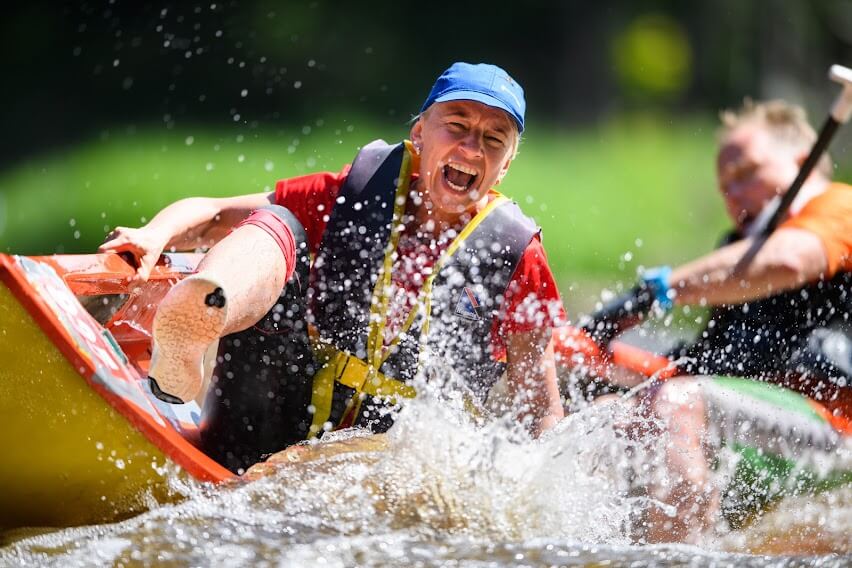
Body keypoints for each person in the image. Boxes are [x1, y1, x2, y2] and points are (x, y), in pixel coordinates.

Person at [100, 62, 567, 473]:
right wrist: (153, 235)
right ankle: (203, 314)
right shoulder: (355, 191)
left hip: (382, 471)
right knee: (280, 221)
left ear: (504, 166)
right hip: (264, 421)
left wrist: (538, 504)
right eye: (457, 126)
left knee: (389, 455)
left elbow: (541, 406)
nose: (471, 148)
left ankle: (284, 469)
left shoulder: (517, 256)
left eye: (492, 139)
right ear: (420, 134)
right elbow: (217, 214)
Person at [583, 100, 852, 543]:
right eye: (726, 187)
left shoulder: (835, 207)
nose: (735, 195)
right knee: (608, 420)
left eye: (747, 172)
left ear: (802, 163)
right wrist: (594, 357)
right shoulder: (739, 255)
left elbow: (786, 261)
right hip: (760, 424)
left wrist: (657, 291)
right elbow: (698, 370)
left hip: (833, 430)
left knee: (677, 404)